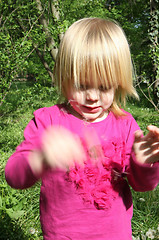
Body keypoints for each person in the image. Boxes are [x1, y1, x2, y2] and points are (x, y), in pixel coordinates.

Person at [5, 18, 159, 240]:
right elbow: (13, 176)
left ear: (118, 82)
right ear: (64, 77)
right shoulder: (48, 121)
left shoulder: (124, 124)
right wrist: (40, 157)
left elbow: (142, 185)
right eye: (81, 85)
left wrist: (144, 164)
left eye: (104, 86)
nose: (92, 97)